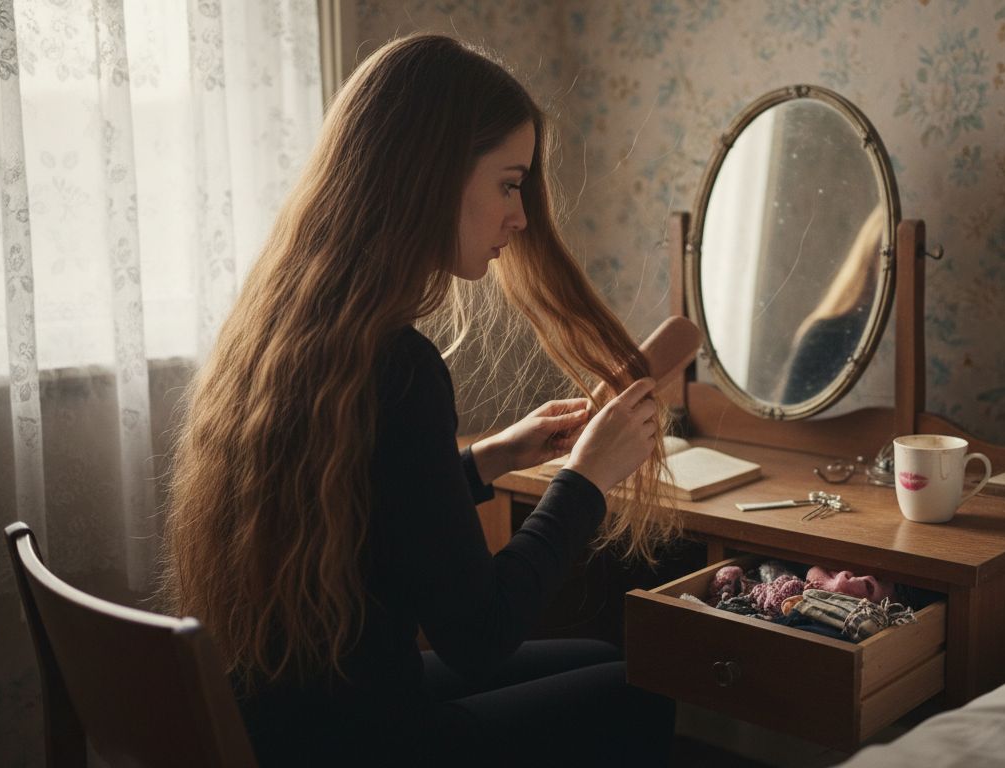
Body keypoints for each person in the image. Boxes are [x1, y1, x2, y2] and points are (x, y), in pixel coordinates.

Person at [159, 34, 677, 766]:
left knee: (596, 654)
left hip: (294, 719)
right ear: (431, 176)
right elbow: (480, 637)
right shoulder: (397, 363)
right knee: (641, 689)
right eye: (508, 183)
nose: (521, 217)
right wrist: (586, 479)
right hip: (363, 742)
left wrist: (487, 460)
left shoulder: (289, 324)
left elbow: (374, 512)